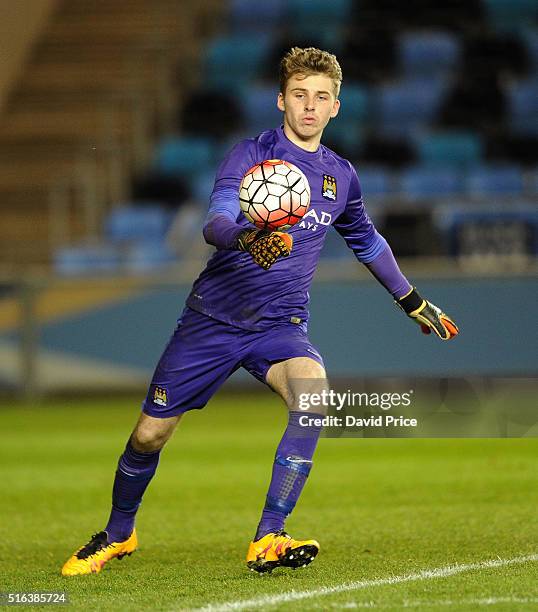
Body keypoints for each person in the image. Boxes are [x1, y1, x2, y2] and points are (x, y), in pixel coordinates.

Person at [61, 47, 458, 577]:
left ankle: (269, 535)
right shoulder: (250, 156)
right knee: (150, 435)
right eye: (299, 95)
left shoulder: (340, 176)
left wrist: (410, 299)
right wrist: (250, 236)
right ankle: (118, 533)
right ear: (281, 100)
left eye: (321, 97)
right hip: (212, 320)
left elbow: (366, 239)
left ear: (337, 106)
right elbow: (215, 221)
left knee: (314, 396)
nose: (309, 107)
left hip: (280, 327)